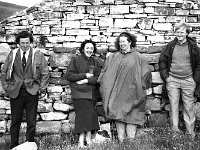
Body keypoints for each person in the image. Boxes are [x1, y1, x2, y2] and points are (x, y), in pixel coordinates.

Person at [98, 32, 151, 142]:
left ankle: (130, 142)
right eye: (120, 41)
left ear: (130, 42)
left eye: (124, 41)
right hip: (118, 94)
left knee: (133, 115)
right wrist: (103, 83)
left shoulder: (139, 57)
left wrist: (145, 86)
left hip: (134, 93)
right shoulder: (114, 57)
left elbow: (145, 73)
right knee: (118, 114)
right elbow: (106, 72)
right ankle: (122, 142)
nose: (121, 43)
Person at [1, 30, 49, 149]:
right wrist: (7, 88)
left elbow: (45, 72)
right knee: (15, 121)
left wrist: (41, 89)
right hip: (15, 91)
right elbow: (4, 71)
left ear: (31, 42)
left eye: (27, 43)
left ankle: (30, 145)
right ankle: (14, 146)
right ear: (18, 43)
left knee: (31, 121)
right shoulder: (13, 54)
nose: (25, 45)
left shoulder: (37, 54)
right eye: (22, 43)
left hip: (32, 91)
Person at [159, 22, 200, 138]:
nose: (179, 34)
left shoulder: (193, 47)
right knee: (173, 106)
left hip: (189, 81)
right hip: (172, 80)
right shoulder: (170, 46)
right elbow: (162, 61)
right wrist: (166, 77)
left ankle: (190, 133)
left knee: (188, 107)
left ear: (186, 33)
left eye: (182, 32)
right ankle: (175, 132)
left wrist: (194, 80)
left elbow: (199, 65)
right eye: (177, 32)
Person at [66, 39, 101, 148]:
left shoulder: (95, 61)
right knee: (82, 116)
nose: (89, 50)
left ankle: (88, 140)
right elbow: (69, 76)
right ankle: (81, 142)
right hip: (79, 93)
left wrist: (87, 80)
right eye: (87, 48)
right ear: (83, 49)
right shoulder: (75, 60)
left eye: (91, 48)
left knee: (90, 115)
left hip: (91, 93)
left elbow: (99, 78)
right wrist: (84, 75)